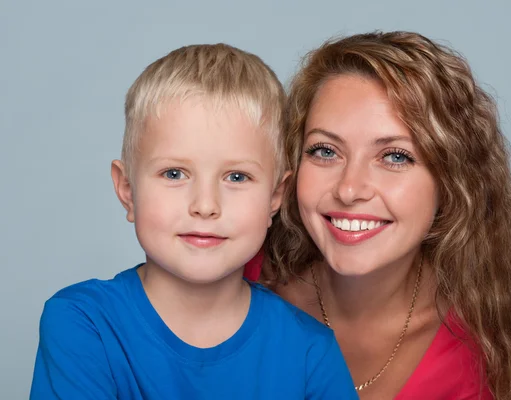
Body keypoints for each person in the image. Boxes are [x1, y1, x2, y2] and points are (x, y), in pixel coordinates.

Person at [30, 43, 358, 400]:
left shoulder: (311, 352)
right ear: (127, 190)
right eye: (174, 173)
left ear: (275, 198)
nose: (205, 205)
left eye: (236, 177)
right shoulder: (83, 323)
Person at [263, 31, 511, 399]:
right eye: (325, 151)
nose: (349, 189)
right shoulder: (236, 289)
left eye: (395, 156)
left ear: (451, 181)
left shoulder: (483, 353)